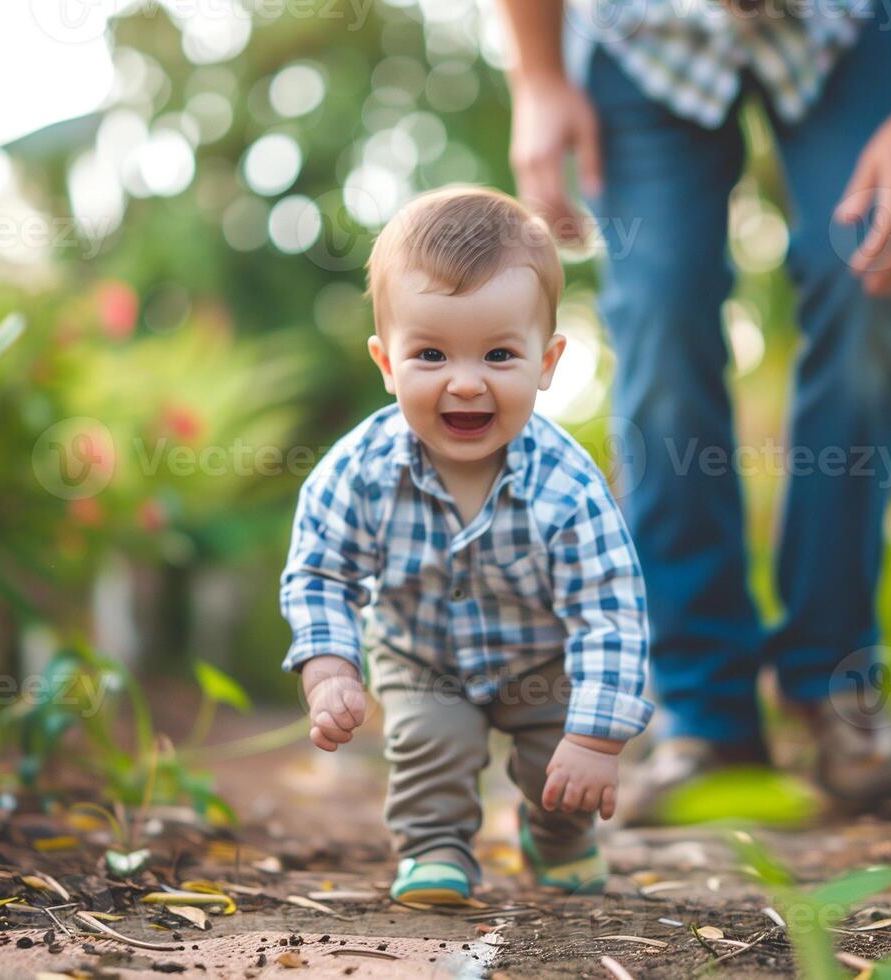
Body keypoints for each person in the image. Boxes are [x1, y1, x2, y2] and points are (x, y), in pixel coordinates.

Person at [494, 0, 891, 821]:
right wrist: (540, 76)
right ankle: (704, 717)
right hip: (646, 41)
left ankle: (834, 683)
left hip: (847, 28)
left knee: (867, 280)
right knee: (661, 313)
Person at [278, 186, 653, 904]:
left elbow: (612, 610)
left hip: (543, 660)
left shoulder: (568, 486)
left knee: (561, 770)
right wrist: (329, 666)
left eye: (499, 354)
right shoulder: (359, 471)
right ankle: (435, 847)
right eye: (431, 354)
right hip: (421, 653)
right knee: (431, 744)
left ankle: (558, 838)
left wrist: (598, 738)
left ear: (547, 362)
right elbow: (321, 569)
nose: (467, 382)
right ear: (387, 364)